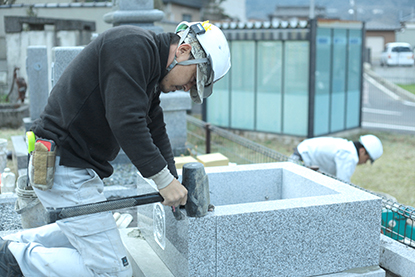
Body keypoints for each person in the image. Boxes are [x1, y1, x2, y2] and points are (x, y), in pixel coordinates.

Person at [0, 20, 231, 276]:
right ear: (184, 50)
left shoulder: (149, 68)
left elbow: (154, 127)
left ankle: (15, 243)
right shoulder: (131, 46)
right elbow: (126, 121)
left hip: (72, 167)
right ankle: (14, 259)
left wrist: (173, 182)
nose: (187, 88)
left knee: (85, 230)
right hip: (63, 167)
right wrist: (164, 181)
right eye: (193, 79)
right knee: (113, 271)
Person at [290, 134, 383, 183]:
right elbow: (343, 183)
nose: (364, 162)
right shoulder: (349, 156)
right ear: (362, 151)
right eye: (367, 159)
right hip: (301, 161)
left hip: (301, 156)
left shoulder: (346, 147)